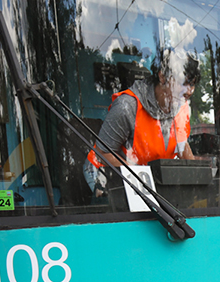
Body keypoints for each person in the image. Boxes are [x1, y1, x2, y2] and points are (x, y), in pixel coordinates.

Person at [85, 49, 201, 192]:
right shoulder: (126, 107)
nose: (189, 91)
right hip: (105, 178)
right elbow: (101, 154)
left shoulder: (180, 105)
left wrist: (198, 179)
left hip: (146, 184)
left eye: (193, 84)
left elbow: (182, 145)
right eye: (184, 82)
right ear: (163, 76)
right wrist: (140, 177)